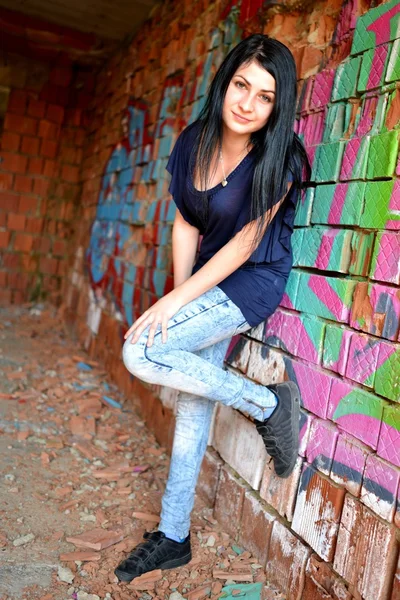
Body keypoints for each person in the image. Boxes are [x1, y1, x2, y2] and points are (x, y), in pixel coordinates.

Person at [114, 33, 310, 582]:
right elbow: (185, 221)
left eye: (265, 96)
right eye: (241, 85)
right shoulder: (195, 140)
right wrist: (178, 307)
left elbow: (247, 243)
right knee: (191, 400)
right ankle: (174, 535)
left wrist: (174, 307)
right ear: (225, 82)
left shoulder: (283, 157)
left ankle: (268, 406)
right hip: (204, 281)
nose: (247, 103)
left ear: (278, 105)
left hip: (250, 282)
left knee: (138, 351)